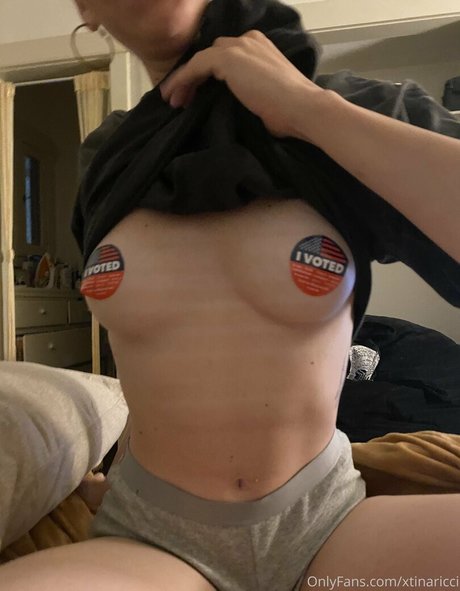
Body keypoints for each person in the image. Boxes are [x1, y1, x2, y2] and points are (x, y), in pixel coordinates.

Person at [1, 1, 459, 590]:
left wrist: (305, 108)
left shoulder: (352, 112)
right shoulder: (107, 160)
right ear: (87, 9)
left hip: (326, 522)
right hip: (152, 536)